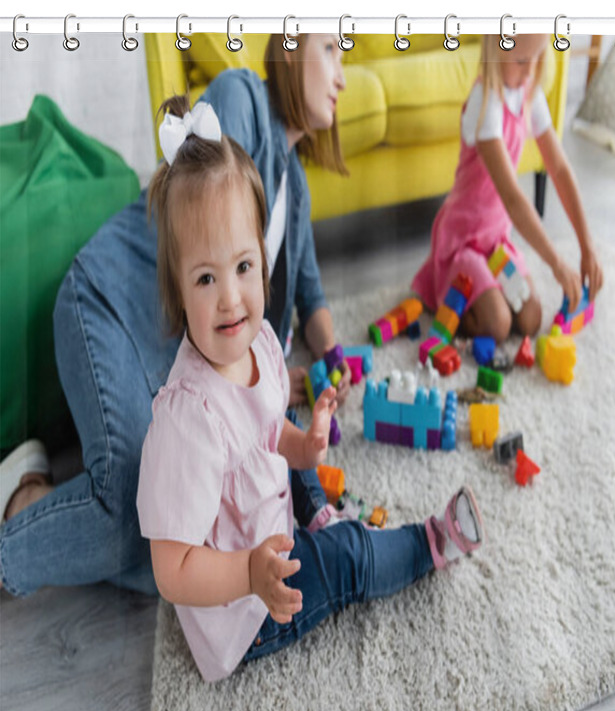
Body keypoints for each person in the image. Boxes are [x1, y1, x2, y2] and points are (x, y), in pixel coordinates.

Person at [137, 96, 484, 682]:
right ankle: (433, 542)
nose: (230, 298)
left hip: (267, 519)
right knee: (347, 556)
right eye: (205, 278)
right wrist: (251, 574)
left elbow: (270, 430)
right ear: (177, 290)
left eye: (244, 267)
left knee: (290, 441)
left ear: (263, 264)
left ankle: (314, 510)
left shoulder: (261, 343)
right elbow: (173, 571)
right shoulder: (188, 419)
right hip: (245, 609)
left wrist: (305, 446)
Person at [0, 34, 355, 597]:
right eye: (333, 50)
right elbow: (212, 219)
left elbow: (310, 295)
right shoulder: (242, 97)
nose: (342, 75)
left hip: (168, 354)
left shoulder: (296, 186)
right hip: (109, 303)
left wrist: (335, 358)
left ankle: (33, 490)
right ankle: (16, 526)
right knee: (136, 520)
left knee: (191, 532)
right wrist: (246, 375)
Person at [412, 35, 604, 343]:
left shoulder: (528, 92)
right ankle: (443, 289)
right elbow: (513, 199)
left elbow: (560, 169)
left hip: (496, 242)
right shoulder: (485, 102)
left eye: (538, 58)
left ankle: (486, 289)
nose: (530, 72)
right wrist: (556, 263)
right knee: (498, 325)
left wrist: (587, 246)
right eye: (520, 60)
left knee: (530, 319)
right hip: (464, 241)